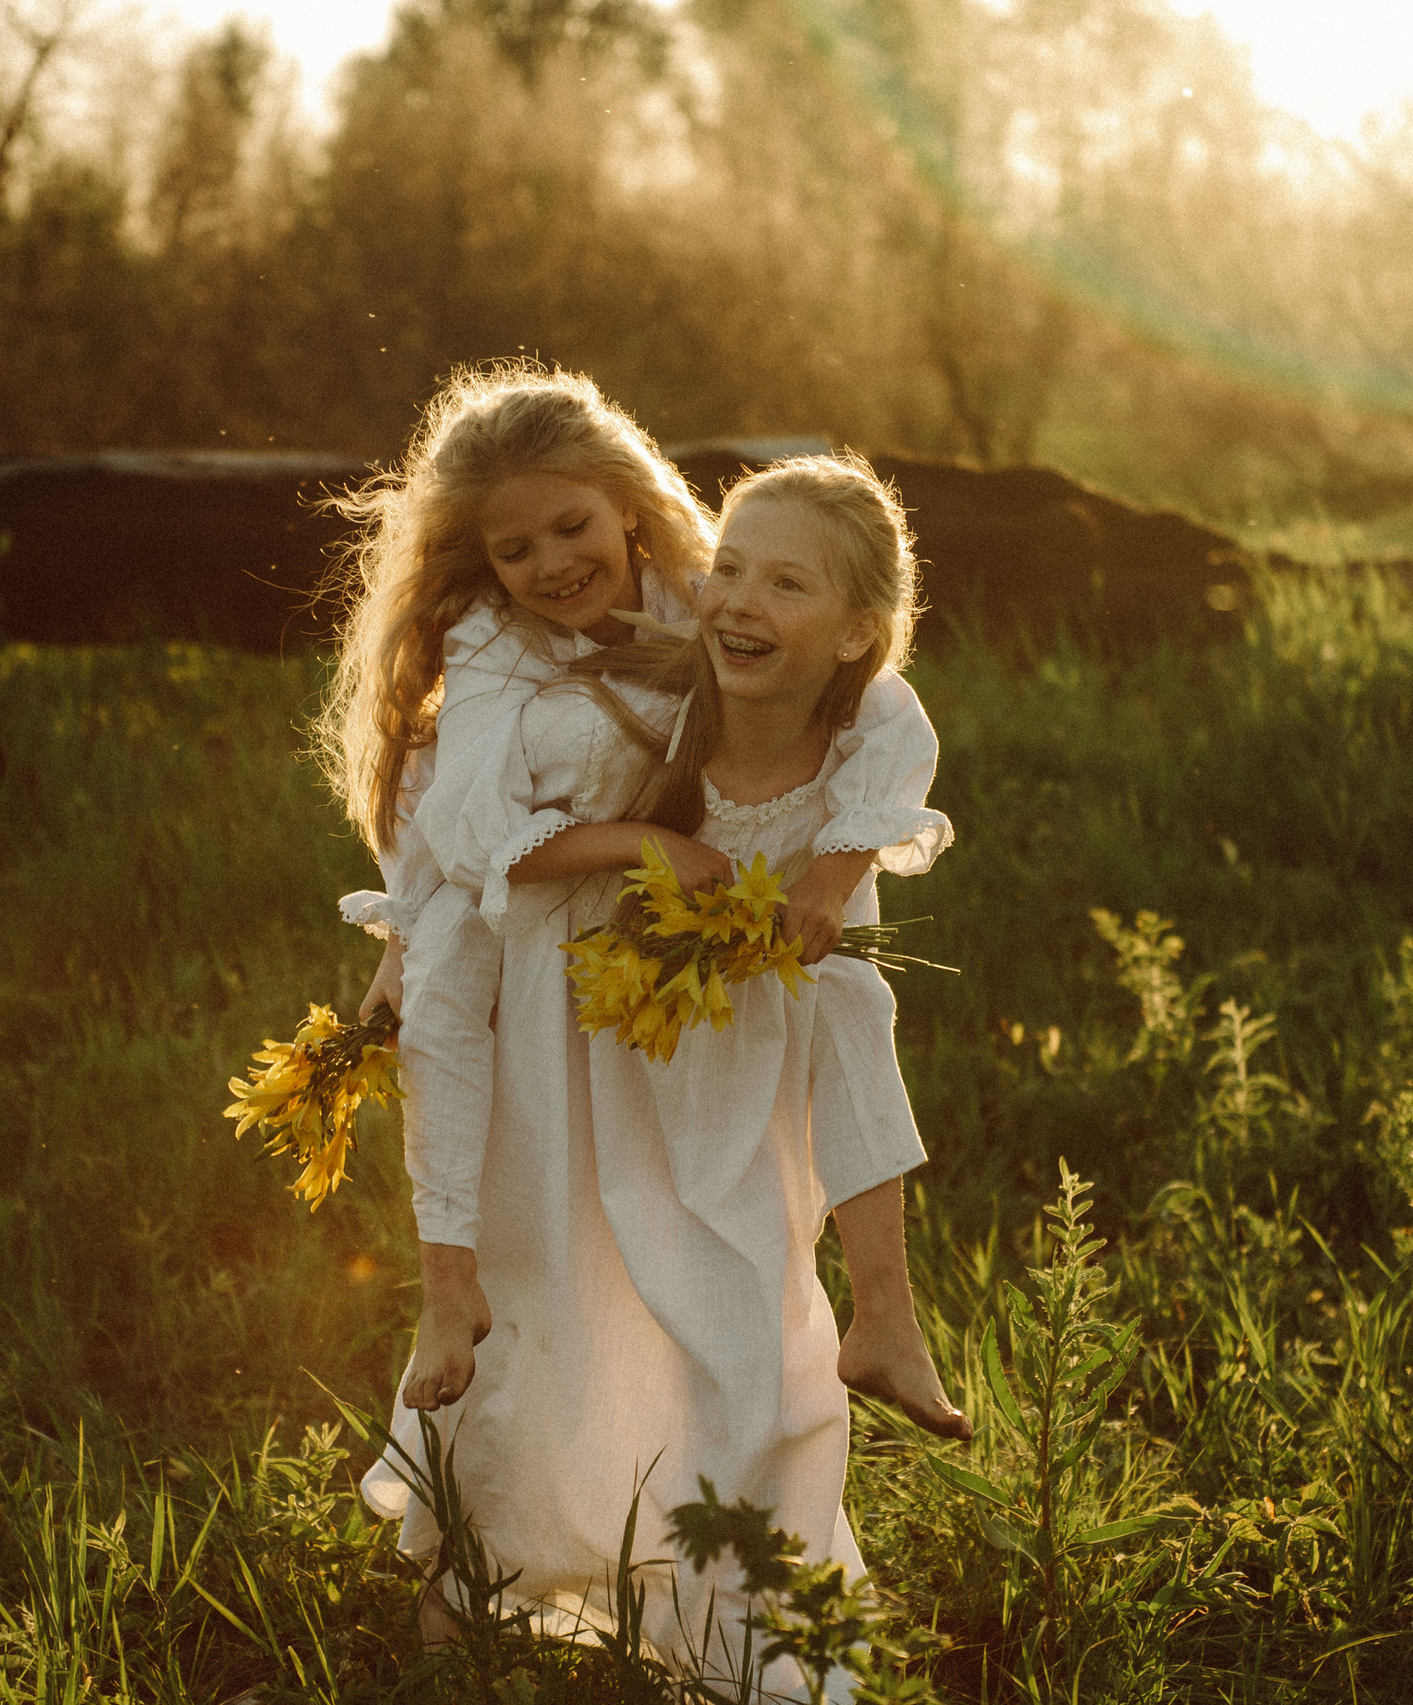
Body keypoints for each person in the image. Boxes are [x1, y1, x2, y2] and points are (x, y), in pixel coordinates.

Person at [357, 454, 952, 1693]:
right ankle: (484, 1598)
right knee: (555, 1317)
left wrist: (831, 881)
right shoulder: (607, 671)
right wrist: (413, 936)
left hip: (730, 1060)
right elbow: (470, 838)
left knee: (743, 1325)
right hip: (577, 1041)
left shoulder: (793, 674)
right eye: (730, 567)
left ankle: (755, 1626)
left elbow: (882, 745)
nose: (735, 595)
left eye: (779, 581)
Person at [315, 366, 965, 1441]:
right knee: (441, 993)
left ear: (626, 500)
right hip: (525, 899)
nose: (549, 565)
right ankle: (447, 1284)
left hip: (684, 931)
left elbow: (871, 698)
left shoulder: (708, 586)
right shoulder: (490, 639)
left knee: (848, 1001)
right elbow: (465, 829)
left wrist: (832, 872)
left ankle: (880, 1313)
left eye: (570, 526)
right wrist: (642, 843)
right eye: (511, 549)